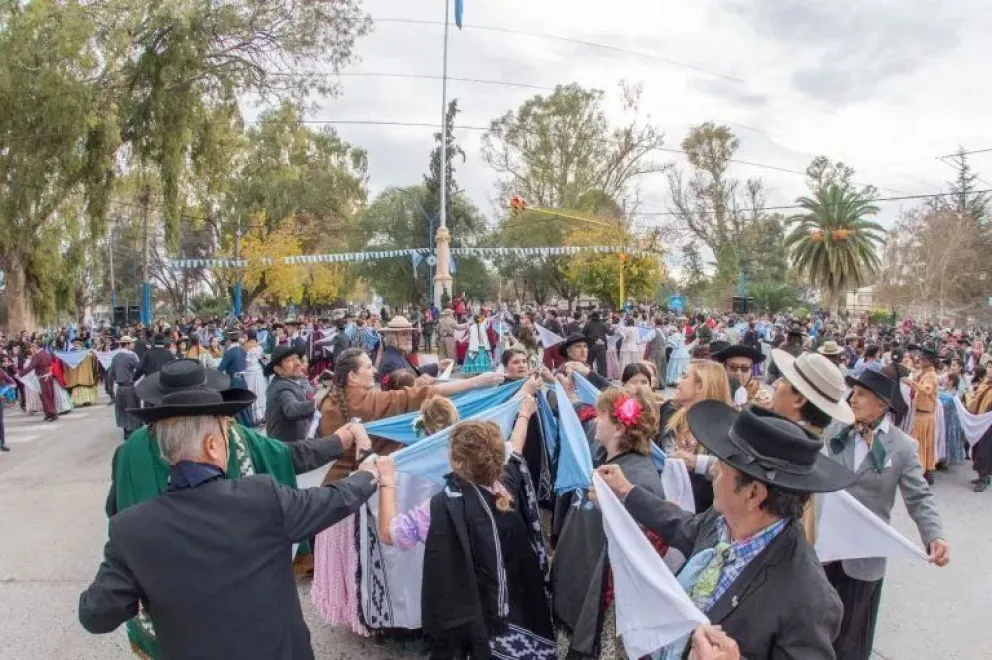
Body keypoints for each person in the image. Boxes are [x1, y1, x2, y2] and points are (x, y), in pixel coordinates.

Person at [78, 376, 380, 660]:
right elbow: (334, 499)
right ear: (212, 446)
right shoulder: (264, 498)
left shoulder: (131, 530)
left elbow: (96, 615)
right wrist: (369, 475)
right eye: (225, 435)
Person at [597, 402, 858, 659]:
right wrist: (627, 491)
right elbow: (683, 526)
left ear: (752, 493)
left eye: (721, 468)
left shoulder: (807, 598)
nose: (714, 472)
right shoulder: (722, 520)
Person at [376, 412, 554, 659]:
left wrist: (387, 480)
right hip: (513, 604)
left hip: (466, 615)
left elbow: (390, 534)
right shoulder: (508, 482)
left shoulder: (439, 508)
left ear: (456, 463)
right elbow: (517, 442)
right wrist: (524, 410)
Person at [824, 369, 949, 659]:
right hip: (823, 549)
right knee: (814, 628)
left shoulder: (903, 447)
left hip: (863, 559)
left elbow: (919, 497)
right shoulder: (836, 429)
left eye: (862, 394)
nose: (853, 399)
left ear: (882, 404)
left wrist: (935, 535)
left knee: (849, 638)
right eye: (854, 392)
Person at [554, 386, 665, 659]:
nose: (595, 421)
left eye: (601, 415)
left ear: (618, 429)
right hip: (578, 588)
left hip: (599, 609)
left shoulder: (639, 479)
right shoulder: (606, 458)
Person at [769, 349, 855, 544]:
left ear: (798, 400)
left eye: (783, 380)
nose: (775, 385)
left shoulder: (792, 448)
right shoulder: (810, 441)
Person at [660, 360, 733, 512]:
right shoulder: (669, 412)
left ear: (701, 386)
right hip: (666, 508)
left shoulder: (725, 430)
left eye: (685, 376)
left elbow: (732, 472)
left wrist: (696, 462)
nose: (678, 381)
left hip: (700, 516)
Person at [265, 344, 315, 443]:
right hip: (286, 449)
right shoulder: (282, 387)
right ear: (278, 369)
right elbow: (292, 409)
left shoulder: (292, 380)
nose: (297, 363)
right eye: (289, 360)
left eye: (297, 358)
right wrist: (318, 403)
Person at [904, 346, 939, 484]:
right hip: (922, 414)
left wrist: (911, 383)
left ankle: (921, 471)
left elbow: (927, 390)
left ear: (930, 361)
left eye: (923, 359)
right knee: (922, 443)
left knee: (919, 443)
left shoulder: (931, 375)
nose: (920, 361)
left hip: (925, 415)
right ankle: (925, 471)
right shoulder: (924, 373)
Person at [109, 336, 143, 440]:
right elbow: (139, 368)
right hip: (129, 387)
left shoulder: (115, 357)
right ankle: (132, 432)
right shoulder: (131, 357)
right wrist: (134, 378)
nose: (133, 345)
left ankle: (126, 431)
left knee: (122, 410)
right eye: (131, 343)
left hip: (120, 388)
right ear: (128, 344)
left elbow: (111, 374)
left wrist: (110, 389)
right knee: (132, 408)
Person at [20, 341, 58, 421]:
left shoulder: (37, 355)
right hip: (48, 376)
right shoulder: (47, 353)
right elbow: (51, 363)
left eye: (33, 346)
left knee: (45, 396)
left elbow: (31, 367)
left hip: (43, 377)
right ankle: (49, 413)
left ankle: (52, 414)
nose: (32, 348)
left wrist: (20, 374)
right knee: (48, 395)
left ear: (36, 347)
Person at [63, 338, 100, 406]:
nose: (76, 345)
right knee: (78, 386)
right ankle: (78, 400)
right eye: (75, 343)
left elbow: (92, 357)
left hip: (85, 372)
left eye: (77, 343)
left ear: (81, 344)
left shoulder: (86, 351)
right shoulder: (72, 352)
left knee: (86, 386)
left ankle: (87, 400)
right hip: (76, 373)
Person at [242, 329, 267, 426]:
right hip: (258, 371)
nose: (244, 338)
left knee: (251, 391)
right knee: (259, 392)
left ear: (248, 336)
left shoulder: (246, 348)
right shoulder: (258, 346)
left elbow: (247, 363)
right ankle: (261, 415)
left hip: (250, 372)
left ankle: (253, 416)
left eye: (245, 336)